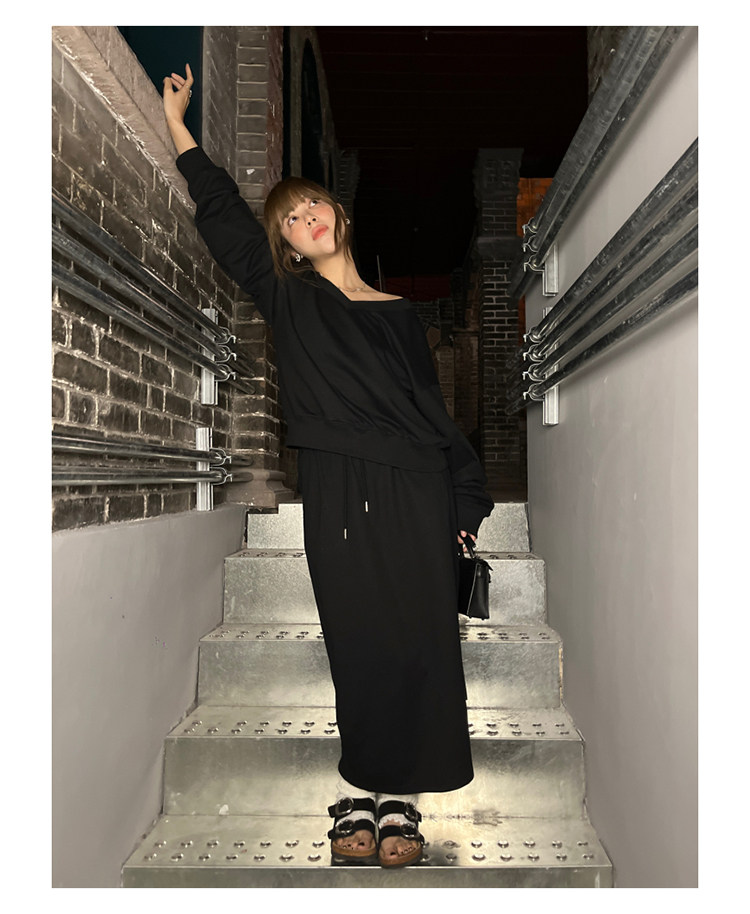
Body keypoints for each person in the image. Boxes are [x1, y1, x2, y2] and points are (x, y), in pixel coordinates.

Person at [163, 64, 494, 868]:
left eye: (312, 204)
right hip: (341, 487)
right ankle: (367, 782)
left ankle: (403, 802)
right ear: (285, 245)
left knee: (421, 642)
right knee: (359, 638)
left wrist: (461, 502)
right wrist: (179, 128)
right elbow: (224, 221)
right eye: (289, 218)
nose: (304, 217)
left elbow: (431, 414)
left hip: (417, 488)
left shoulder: (402, 317)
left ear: (339, 215)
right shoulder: (289, 297)